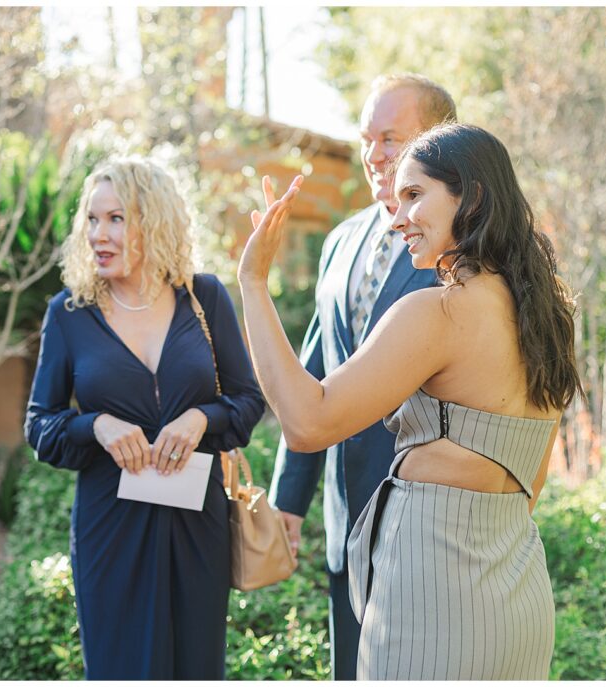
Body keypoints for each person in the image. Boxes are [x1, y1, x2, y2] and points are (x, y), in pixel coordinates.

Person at [238, 123, 583, 679]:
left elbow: (307, 422)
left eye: (415, 195)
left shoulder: (436, 313)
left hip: (432, 595)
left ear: (469, 194)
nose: (397, 219)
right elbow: (531, 483)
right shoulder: (544, 318)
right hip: (516, 588)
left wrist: (253, 282)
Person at [24, 157, 265, 680]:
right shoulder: (69, 314)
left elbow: (249, 402)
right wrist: (96, 426)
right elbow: (39, 425)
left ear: (153, 222)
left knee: (195, 668)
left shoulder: (205, 298)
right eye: (91, 219)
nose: (98, 235)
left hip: (197, 526)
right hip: (110, 532)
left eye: (116, 219)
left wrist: (202, 418)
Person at [267, 72, 457, 679]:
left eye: (391, 139)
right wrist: (287, 503)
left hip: (429, 526)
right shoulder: (340, 242)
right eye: (366, 138)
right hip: (344, 519)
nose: (373, 154)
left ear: (439, 142)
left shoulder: (467, 250)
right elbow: (314, 368)